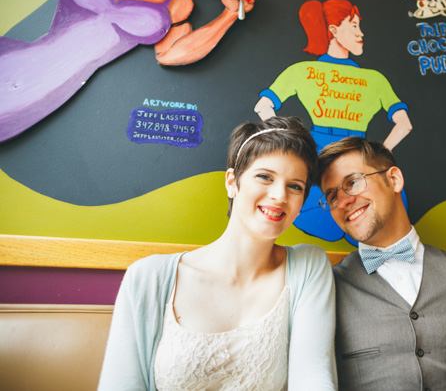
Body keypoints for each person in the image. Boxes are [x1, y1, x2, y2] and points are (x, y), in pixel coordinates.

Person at [98, 116, 336, 390]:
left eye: (295, 186)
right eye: (265, 177)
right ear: (232, 182)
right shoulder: (148, 277)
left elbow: (314, 379)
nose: (280, 195)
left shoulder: (309, 267)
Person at [0, 0, 258, 142]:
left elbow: (170, 55)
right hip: (10, 58)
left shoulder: (177, 2)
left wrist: (230, 15)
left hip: (44, 96)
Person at [317, 136, 446, 390]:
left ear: (394, 179)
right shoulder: (325, 291)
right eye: (331, 196)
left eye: (352, 182)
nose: (343, 201)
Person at [254, 0, 412, 244]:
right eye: (354, 26)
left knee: (376, 227)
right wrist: (297, 146)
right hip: (325, 160)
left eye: (360, 27)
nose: (361, 34)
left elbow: (405, 124)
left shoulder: (373, 79)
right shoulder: (303, 70)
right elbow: (263, 105)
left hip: (335, 157)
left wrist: (376, 157)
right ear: (334, 30)